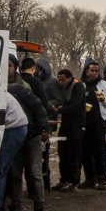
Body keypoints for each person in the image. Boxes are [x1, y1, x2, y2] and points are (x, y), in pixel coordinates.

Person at [4, 72, 50, 211]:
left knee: (34, 172)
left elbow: (38, 107)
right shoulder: (1, 90)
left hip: (31, 135)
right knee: (15, 173)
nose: (6, 69)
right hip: (15, 136)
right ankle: (16, 208)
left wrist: (45, 129)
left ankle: (39, 209)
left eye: (10, 65)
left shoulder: (20, 89)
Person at [80, 58, 106, 191]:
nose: (94, 73)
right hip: (84, 122)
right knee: (85, 152)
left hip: (99, 122)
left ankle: (101, 178)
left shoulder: (104, 85)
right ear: (86, 71)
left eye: (96, 71)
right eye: (92, 70)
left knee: (99, 151)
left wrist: (103, 99)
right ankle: (89, 178)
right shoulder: (81, 85)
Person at [20, 57, 53, 193]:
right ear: (33, 68)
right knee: (34, 163)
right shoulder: (36, 83)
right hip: (33, 127)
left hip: (16, 125)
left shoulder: (15, 81)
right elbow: (43, 104)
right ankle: (34, 190)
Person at [54, 69, 86, 193]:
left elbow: (74, 106)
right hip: (65, 124)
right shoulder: (63, 88)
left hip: (76, 125)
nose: (61, 82)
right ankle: (64, 179)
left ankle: (73, 181)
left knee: (73, 154)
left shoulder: (77, 87)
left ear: (69, 78)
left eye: (62, 80)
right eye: (59, 80)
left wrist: (59, 110)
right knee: (62, 153)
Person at [36, 58, 61, 192]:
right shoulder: (38, 81)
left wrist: (45, 103)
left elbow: (59, 99)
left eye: (40, 69)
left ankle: (46, 184)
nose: (38, 71)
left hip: (48, 122)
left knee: (44, 154)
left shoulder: (52, 82)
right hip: (38, 121)